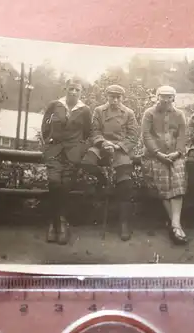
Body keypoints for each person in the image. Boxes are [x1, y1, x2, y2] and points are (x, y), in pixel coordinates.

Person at [81, 84, 139, 241]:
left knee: (125, 184)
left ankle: (124, 223)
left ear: (122, 98)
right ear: (106, 96)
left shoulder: (128, 113)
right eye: (112, 96)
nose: (115, 100)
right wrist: (103, 143)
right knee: (87, 163)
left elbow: (133, 136)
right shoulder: (99, 111)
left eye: (118, 97)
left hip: (120, 149)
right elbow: (94, 131)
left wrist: (118, 146)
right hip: (101, 147)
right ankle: (103, 179)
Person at [40, 78, 92, 245]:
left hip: (72, 154)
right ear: (66, 89)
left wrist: (79, 149)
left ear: (81, 92)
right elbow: (45, 127)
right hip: (54, 151)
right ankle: (54, 222)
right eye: (71, 89)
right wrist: (48, 142)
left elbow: (87, 133)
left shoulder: (84, 110)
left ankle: (61, 223)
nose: (74, 92)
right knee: (54, 183)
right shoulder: (55, 105)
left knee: (65, 186)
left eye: (77, 90)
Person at [141, 85, 188, 245]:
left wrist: (177, 153)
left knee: (177, 179)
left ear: (173, 98)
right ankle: (177, 225)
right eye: (162, 96)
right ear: (157, 97)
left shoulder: (180, 114)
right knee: (163, 182)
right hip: (155, 155)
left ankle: (174, 224)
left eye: (169, 97)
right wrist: (158, 153)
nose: (166, 100)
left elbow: (183, 136)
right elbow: (146, 135)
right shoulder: (149, 113)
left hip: (175, 154)